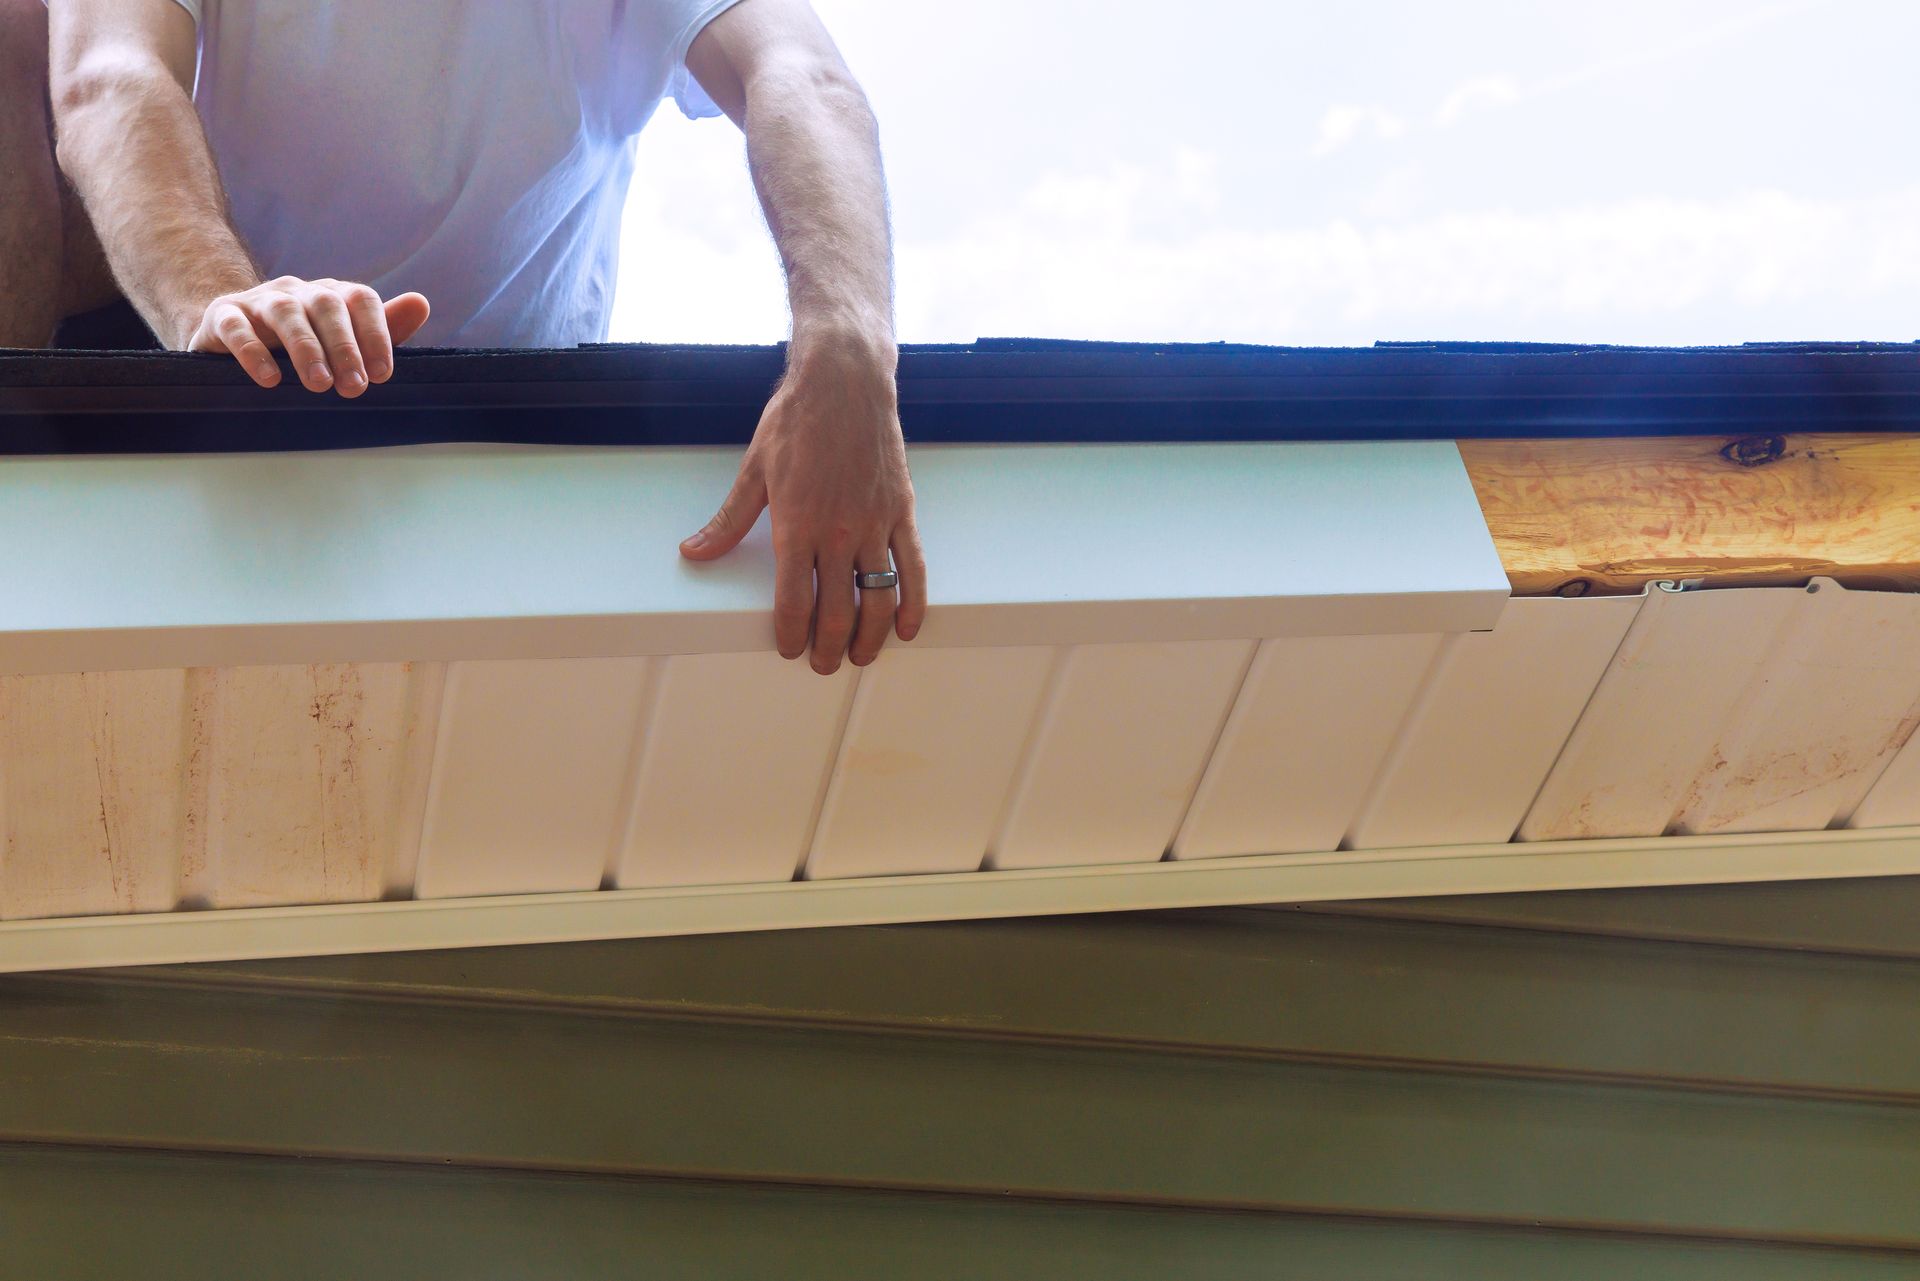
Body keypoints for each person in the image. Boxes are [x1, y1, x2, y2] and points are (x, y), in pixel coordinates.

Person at [1, 0, 925, 674]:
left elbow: (802, 75)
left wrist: (846, 347)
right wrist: (219, 303)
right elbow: (109, 77)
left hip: (503, 389)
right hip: (210, 341)